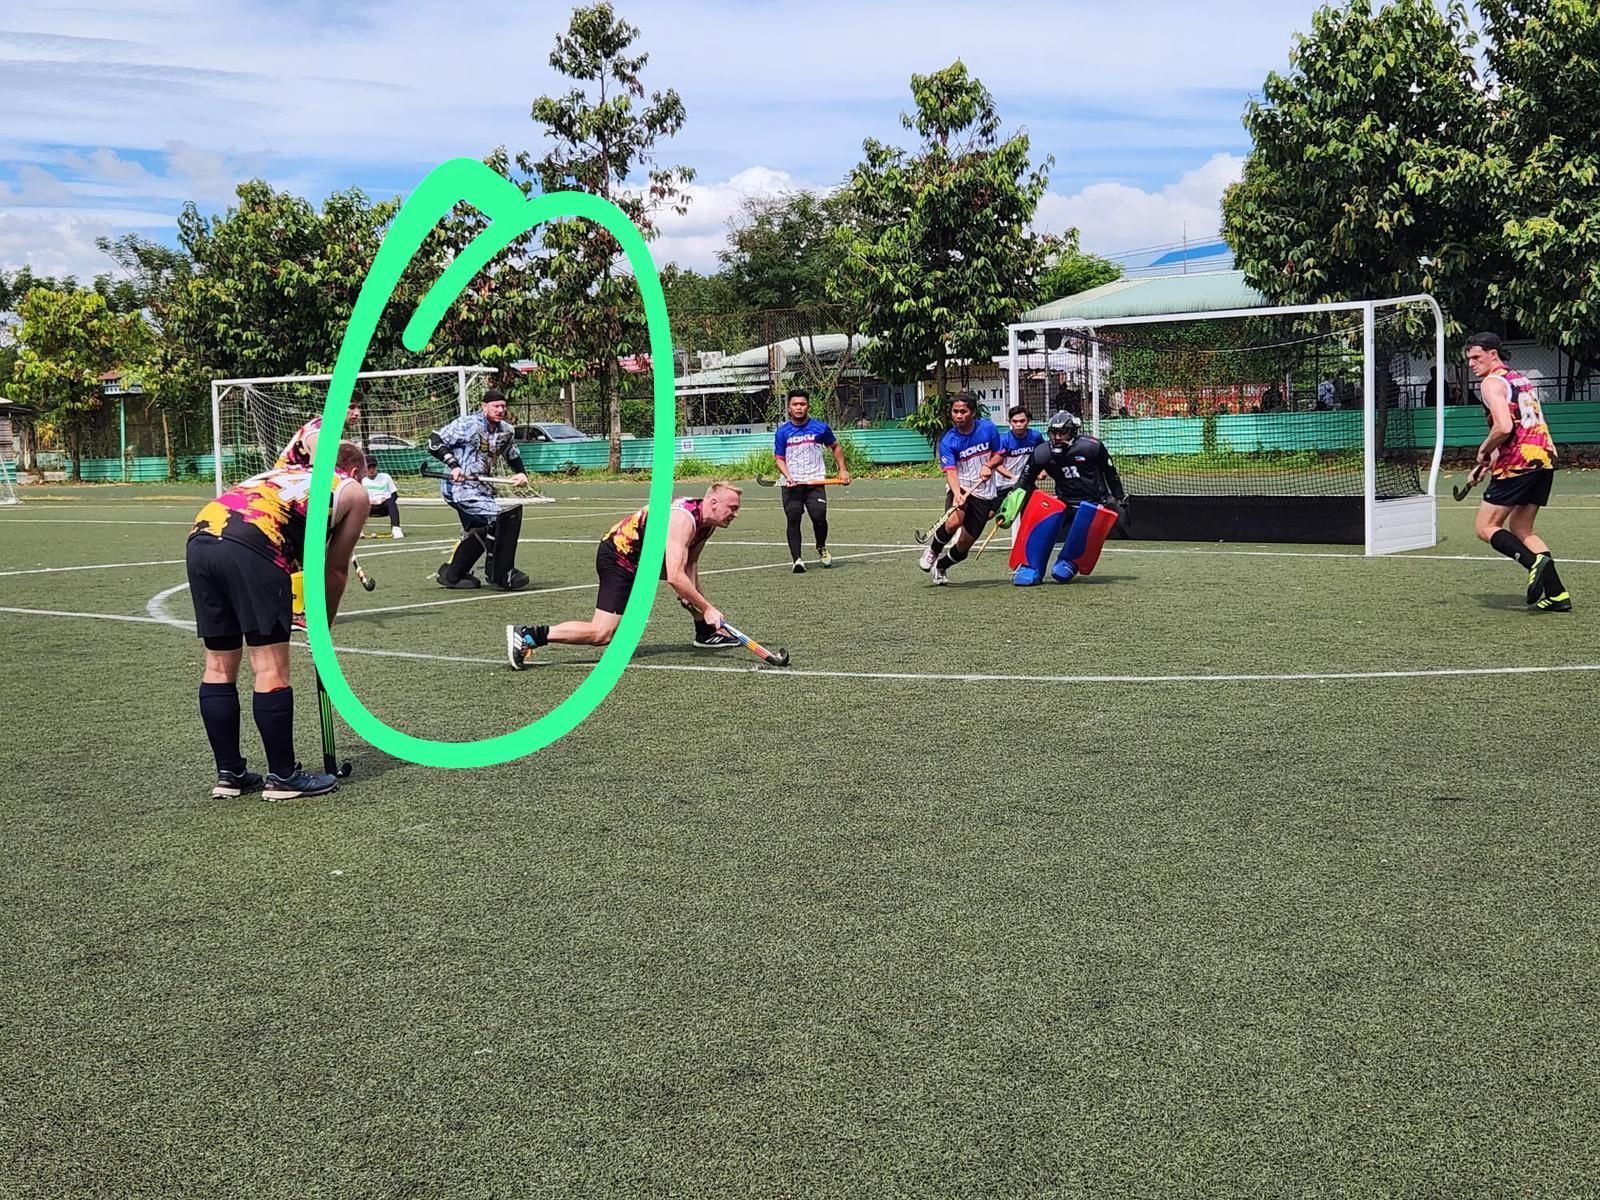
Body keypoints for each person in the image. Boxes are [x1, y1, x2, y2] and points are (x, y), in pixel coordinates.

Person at [186, 440, 369, 800]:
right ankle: (283, 776)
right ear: (353, 470)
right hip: (255, 545)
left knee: (219, 664)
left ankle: (230, 774)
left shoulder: (282, 471)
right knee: (269, 664)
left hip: (202, 537)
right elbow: (333, 571)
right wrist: (322, 629)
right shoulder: (353, 490)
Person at [505, 482, 745, 668]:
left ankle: (705, 633)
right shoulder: (683, 520)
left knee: (689, 590)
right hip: (619, 557)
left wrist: (699, 607)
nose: (736, 514)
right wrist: (707, 608)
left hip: (642, 559)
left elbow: (689, 564)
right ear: (713, 502)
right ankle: (529, 635)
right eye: (732, 508)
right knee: (602, 633)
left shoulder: (708, 522)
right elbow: (674, 575)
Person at [1465, 332, 1571, 612]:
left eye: (1476, 357)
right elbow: (1517, 426)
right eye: (1469, 359)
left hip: (1519, 463)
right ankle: (1557, 594)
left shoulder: (1491, 383)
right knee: (1523, 528)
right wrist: (1486, 463)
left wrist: (1483, 449)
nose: (1471, 364)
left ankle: (1532, 563)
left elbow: (1503, 428)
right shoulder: (1519, 380)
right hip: (1544, 458)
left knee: (1485, 527)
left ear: (1493, 354)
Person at [1003, 411, 1127, 584]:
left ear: (1073, 432)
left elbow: (1110, 473)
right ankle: (1031, 565)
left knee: (1063, 569)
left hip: (1094, 502)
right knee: (1043, 510)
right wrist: (1011, 505)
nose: (1058, 437)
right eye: (1054, 433)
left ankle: (1070, 561)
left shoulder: (1091, 447)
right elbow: (1026, 479)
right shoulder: (1042, 452)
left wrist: (1119, 498)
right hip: (1065, 500)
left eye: (1063, 433)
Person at [426, 387, 531, 591]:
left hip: (483, 488)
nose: (500, 410)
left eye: (503, 406)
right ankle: (501, 574)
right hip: (459, 488)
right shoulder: (467, 424)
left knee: (480, 530)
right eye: (495, 406)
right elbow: (434, 442)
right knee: (502, 519)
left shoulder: (506, 430)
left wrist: (521, 473)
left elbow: (511, 453)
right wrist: (454, 465)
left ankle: (453, 575)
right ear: (484, 406)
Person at [919, 392, 1002, 586]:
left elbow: (999, 454)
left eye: (963, 411)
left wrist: (989, 465)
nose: (958, 415)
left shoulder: (988, 429)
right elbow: (951, 471)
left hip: (985, 493)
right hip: (962, 486)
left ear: (972, 412)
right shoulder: (949, 441)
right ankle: (932, 551)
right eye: (955, 411)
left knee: (964, 546)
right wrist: (957, 494)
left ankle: (941, 566)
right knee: (954, 521)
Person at [773, 388, 850, 573]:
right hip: (792, 484)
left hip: (815, 482)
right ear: (789, 408)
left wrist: (843, 470)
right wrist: (788, 476)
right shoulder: (782, 432)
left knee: (819, 517)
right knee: (793, 517)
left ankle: (821, 547)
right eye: (795, 404)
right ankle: (797, 559)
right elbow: (779, 458)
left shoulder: (820, 428)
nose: (799, 408)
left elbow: (835, 447)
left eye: (802, 404)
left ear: (808, 406)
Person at [988, 405, 1043, 547]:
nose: (1019, 425)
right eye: (1015, 421)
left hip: (1025, 482)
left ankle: (1026, 543)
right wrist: (1012, 477)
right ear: (1010, 422)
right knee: (989, 514)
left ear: (1028, 421)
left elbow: (1043, 456)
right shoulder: (1004, 440)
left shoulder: (1036, 437)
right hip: (1004, 483)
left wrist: (1043, 471)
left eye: (1022, 421)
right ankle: (962, 530)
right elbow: (996, 464)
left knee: (1031, 513)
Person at [276, 393, 363, 471]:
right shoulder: (323, 429)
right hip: (284, 480)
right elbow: (318, 473)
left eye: (359, 408)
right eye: (351, 407)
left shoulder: (332, 427)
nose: (357, 413)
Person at [361, 455, 404, 538]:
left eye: (373, 467)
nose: (371, 469)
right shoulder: (361, 479)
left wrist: (385, 499)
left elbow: (394, 494)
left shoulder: (386, 477)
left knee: (391, 502)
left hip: (383, 506)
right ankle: (357, 531)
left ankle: (396, 528)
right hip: (368, 507)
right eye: (369, 467)